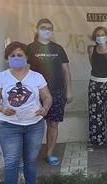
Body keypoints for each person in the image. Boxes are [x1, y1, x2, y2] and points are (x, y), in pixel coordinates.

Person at [0, 42, 52, 184]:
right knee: (11, 162)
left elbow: (47, 97)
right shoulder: (0, 77)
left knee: (31, 161)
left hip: (34, 125)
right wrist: (3, 108)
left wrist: (45, 108)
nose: (16, 59)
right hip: (9, 126)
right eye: (12, 56)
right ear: (7, 59)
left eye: (20, 55)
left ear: (26, 57)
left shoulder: (37, 77)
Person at [25, 18, 72, 165]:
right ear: (37, 29)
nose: (47, 30)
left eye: (50, 28)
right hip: (34, 93)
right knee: (32, 124)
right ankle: (30, 155)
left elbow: (65, 71)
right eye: (44, 27)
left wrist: (68, 91)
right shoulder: (29, 48)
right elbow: (24, 71)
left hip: (57, 92)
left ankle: (49, 154)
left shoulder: (58, 49)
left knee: (53, 124)